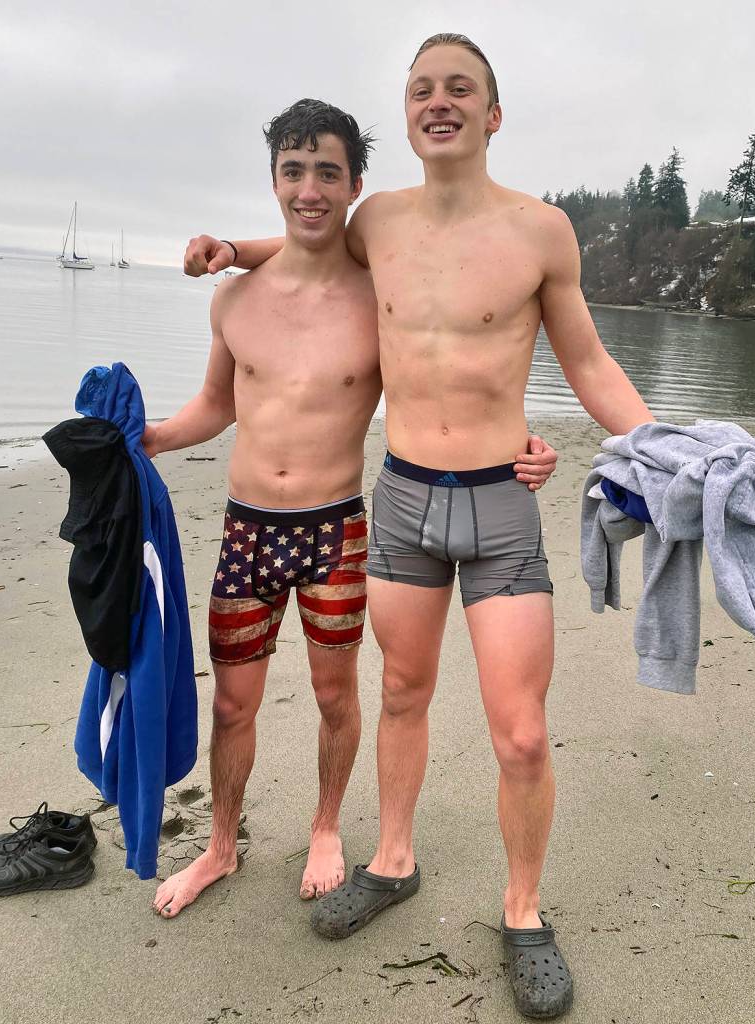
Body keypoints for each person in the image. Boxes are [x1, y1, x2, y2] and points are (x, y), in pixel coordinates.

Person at [184, 34, 655, 1020]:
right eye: (422, 90)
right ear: (407, 117)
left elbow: (592, 365)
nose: (439, 101)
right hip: (399, 499)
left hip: (498, 504)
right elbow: (305, 247)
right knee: (400, 690)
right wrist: (234, 248)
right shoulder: (378, 220)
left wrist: (664, 449)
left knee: (521, 733)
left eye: (461, 89)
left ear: (492, 115)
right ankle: (390, 860)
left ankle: (524, 913)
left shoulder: (541, 232)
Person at [147, 97, 558, 921]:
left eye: (326, 173)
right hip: (246, 530)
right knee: (233, 702)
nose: (309, 189)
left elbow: (449, 363)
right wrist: (146, 440)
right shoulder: (231, 301)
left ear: (353, 184)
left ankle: (329, 828)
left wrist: (524, 441)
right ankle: (221, 846)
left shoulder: (378, 298)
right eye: (293, 172)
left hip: (336, 529)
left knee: (339, 697)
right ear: (272, 181)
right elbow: (216, 407)